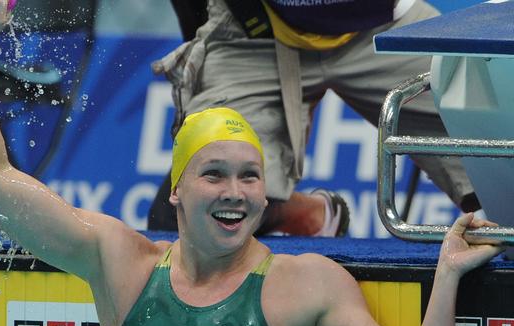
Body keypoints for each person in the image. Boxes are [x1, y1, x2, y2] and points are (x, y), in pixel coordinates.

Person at [0, 2, 502, 326]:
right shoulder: (123, 265)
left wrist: (448, 274)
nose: (235, 193)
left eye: (251, 177)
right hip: (254, 27)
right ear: (176, 191)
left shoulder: (308, 286)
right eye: (213, 175)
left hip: (371, 20)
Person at [149, 0, 481, 237]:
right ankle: (311, 215)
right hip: (255, 35)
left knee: (507, 166)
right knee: (185, 218)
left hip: (383, 26)